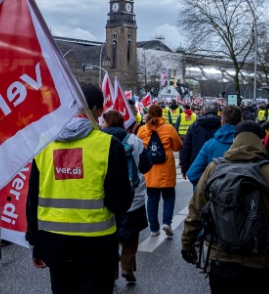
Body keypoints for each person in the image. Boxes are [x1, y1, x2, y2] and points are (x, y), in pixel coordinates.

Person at [181, 121, 269, 294]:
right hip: (258, 261)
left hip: (220, 259)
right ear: (261, 141)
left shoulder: (214, 168)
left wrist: (187, 245)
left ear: (234, 140)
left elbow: (195, 212)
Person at [25, 83, 132, 294]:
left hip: (53, 243)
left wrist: (34, 242)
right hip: (96, 246)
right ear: (101, 111)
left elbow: (32, 198)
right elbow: (119, 203)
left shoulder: (44, 143)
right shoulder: (110, 146)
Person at [101, 110, 151, 286]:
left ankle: (112, 273)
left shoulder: (99, 141)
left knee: (109, 238)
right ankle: (127, 267)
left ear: (106, 123)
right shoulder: (134, 140)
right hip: (133, 198)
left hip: (106, 200)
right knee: (130, 236)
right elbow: (145, 166)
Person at [137, 104, 182, 237]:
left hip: (150, 170)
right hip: (166, 169)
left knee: (152, 198)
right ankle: (167, 223)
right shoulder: (169, 128)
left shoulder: (142, 130)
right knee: (169, 196)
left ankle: (154, 229)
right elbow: (178, 146)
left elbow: (138, 148)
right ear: (161, 114)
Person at [187, 105, 242, 186]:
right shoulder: (248, 144)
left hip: (216, 193)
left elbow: (192, 174)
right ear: (241, 121)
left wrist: (213, 185)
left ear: (222, 121)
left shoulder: (210, 145)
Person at [180, 102, 221, 180]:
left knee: (198, 190)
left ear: (203, 111)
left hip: (198, 164)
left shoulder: (194, 126)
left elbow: (186, 148)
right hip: (218, 165)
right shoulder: (222, 125)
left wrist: (184, 168)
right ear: (217, 111)